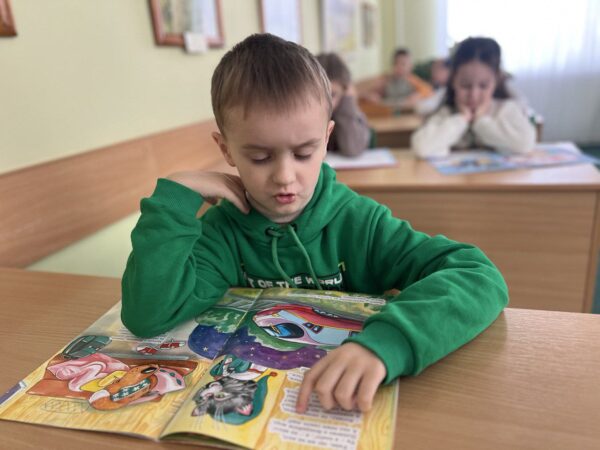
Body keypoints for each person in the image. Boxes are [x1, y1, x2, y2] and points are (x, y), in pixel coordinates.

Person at [121, 33, 508, 414]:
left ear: (326, 139)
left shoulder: (360, 223)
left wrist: (387, 344)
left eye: (304, 153)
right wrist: (174, 200)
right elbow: (147, 316)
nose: (284, 176)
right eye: (259, 157)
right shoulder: (223, 231)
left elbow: (477, 275)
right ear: (226, 149)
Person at [411, 37, 536, 158]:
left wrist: (480, 121)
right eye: (465, 85)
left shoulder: (506, 109)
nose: (473, 94)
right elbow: (421, 147)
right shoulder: (448, 113)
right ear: (453, 81)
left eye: (483, 86)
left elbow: (526, 144)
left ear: (496, 82)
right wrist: (461, 119)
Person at [316, 53, 371, 157]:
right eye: (318, 94)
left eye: (332, 95)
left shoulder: (350, 112)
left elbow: (352, 149)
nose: (325, 103)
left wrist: (347, 101)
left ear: (344, 92)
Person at [365, 48, 433, 113]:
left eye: (403, 64)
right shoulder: (387, 79)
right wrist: (372, 96)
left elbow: (428, 90)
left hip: (406, 111)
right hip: (388, 111)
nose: (399, 67)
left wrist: (418, 95)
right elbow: (371, 91)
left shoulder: (412, 80)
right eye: (396, 63)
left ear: (410, 66)